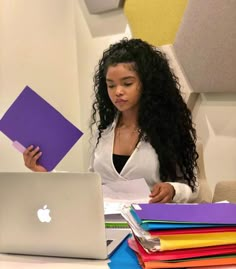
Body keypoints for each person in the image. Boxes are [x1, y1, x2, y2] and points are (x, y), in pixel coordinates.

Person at [23, 38, 199, 203]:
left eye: (127, 83)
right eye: (111, 85)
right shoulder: (104, 130)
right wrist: (45, 173)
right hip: (105, 223)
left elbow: (193, 187)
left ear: (147, 84)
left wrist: (173, 190)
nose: (118, 92)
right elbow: (90, 184)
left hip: (150, 224)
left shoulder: (170, 129)